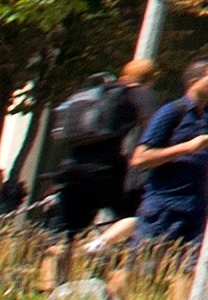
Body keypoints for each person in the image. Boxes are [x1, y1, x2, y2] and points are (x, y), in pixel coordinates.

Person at [36, 60, 150, 260]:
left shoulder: (98, 91)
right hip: (107, 169)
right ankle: (97, 246)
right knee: (142, 215)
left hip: (73, 165)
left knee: (67, 234)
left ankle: (52, 285)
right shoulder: (139, 93)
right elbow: (154, 127)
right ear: (150, 80)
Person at [123, 58, 208, 269]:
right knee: (142, 269)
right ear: (193, 81)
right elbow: (140, 158)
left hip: (196, 209)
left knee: (189, 272)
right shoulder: (172, 112)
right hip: (163, 206)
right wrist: (187, 148)